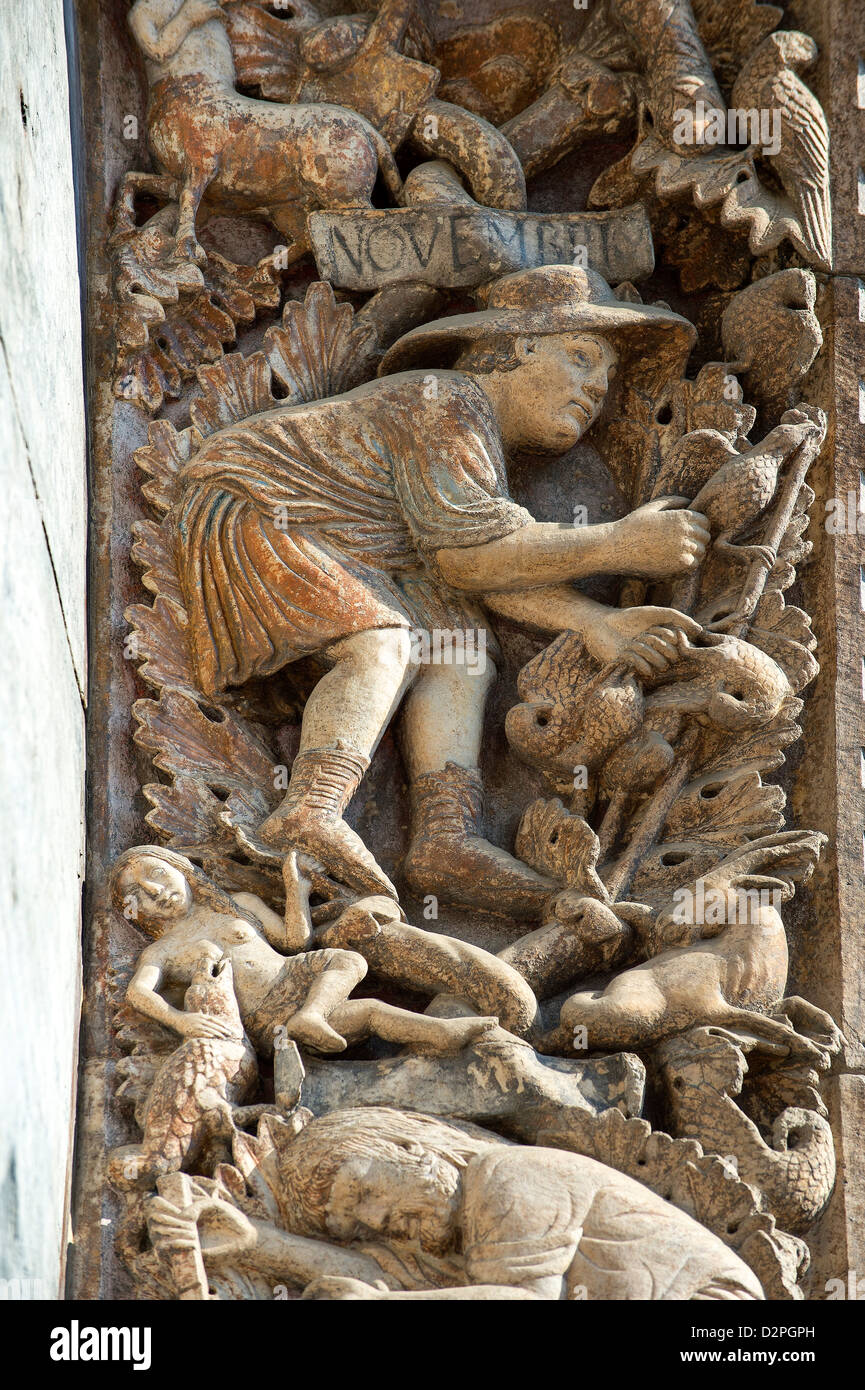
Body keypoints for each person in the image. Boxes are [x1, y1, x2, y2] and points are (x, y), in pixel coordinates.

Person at [173, 264, 709, 916]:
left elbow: (490, 568)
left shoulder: (473, 439)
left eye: (605, 375)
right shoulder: (443, 401)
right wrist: (618, 543)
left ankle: (445, 839)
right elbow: (469, 558)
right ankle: (309, 810)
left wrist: (594, 622)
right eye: (580, 356)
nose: (595, 385)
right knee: (385, 641)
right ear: (517, 345)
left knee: (459, 645)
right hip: (252, 509)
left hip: (357, 552)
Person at [145, 1107, 764, 1300]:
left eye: (363, 1189)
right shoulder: (457, 1247)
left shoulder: (506, 1177)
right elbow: (384, 1281)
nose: (376, 1220)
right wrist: (262, 1246)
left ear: (411, 1146)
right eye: (357, 1225)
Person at [112, 846, 497, 1055]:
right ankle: (441, 1033)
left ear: (181, 868)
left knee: (350, 961)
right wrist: (181, 1021)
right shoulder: (162, 951)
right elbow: (138, 991)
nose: (155, 891)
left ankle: (314, 1016)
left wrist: (296, 888)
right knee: (371, 1012)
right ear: (134, 913)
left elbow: (295, 941)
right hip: (266, 1017)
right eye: (138, 894)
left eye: (158, 873)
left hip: (296, 975)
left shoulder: (237, 903)